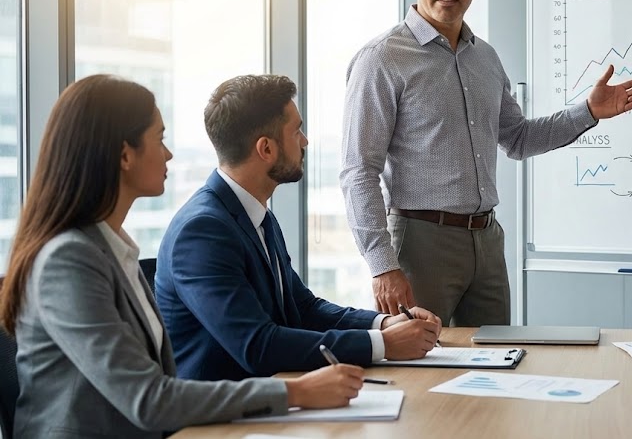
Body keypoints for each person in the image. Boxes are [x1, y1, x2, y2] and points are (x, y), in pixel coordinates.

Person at [0, 75, 363, 438]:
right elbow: (148, 398)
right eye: (159, 139)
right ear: (125, 155)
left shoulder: (113, 248)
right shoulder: (69, 260)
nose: (169, 154)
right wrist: (297, 391)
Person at [340, 0, 632, 327]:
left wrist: (588, 112)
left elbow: (519, 138)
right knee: (419, 370)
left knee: (495, 362)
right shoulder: (382, 59)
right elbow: (356, 171)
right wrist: (382, 265)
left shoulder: (484, 58)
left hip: (486, 241)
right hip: (420, 243)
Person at [156, 75, 441, 382]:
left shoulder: (254, 213)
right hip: (220, 422)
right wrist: (383, 345)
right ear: (266, 149)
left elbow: (303, 308)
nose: (305, 141)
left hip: (275, 395)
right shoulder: (203, 231)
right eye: (296, 131)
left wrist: (383, 324)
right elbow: (257, 345)